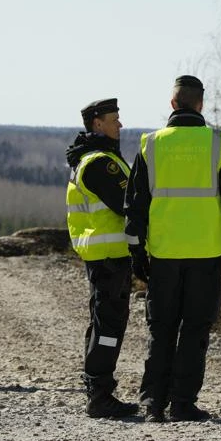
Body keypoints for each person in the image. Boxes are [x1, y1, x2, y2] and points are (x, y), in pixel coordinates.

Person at [124, 75, 221, 423]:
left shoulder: (151, 145)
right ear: (200, 104)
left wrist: (136, 251)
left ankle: (153, 403)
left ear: (173, 104)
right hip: (207, 252)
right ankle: (182, 404)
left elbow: (135, 205)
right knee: (195, 329)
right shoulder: (219, 143)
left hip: (164, 253)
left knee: (162, 328)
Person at [65, 98, 139, 418]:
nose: (120, 124)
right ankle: (100, 395)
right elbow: (127, 203)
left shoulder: (94, 158)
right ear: (98, 124)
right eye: (114, 119)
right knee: (108, 325)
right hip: (110, 256)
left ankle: (98, 391)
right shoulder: (100, 163)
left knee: (103, 321)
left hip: (105, 255)